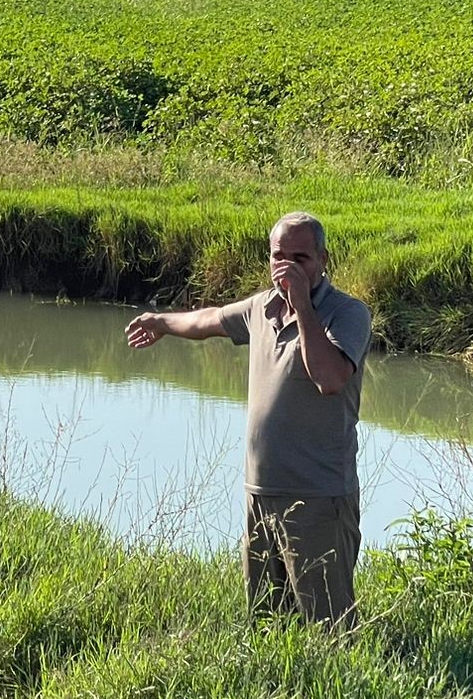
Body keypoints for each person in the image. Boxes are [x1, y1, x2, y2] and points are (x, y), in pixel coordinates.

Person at [124, 212, 372, 625]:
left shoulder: (347, 314)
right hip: (260, 494)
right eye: (279, 257)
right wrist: (162, 323)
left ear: (323, 259)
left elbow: (329, 378)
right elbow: (209, 320)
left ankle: (340, 690)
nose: (287, 268)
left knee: (330, 629)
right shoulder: (261, 308)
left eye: (300, 258)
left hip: (318, 498)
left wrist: (303, 307)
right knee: (267, 622)